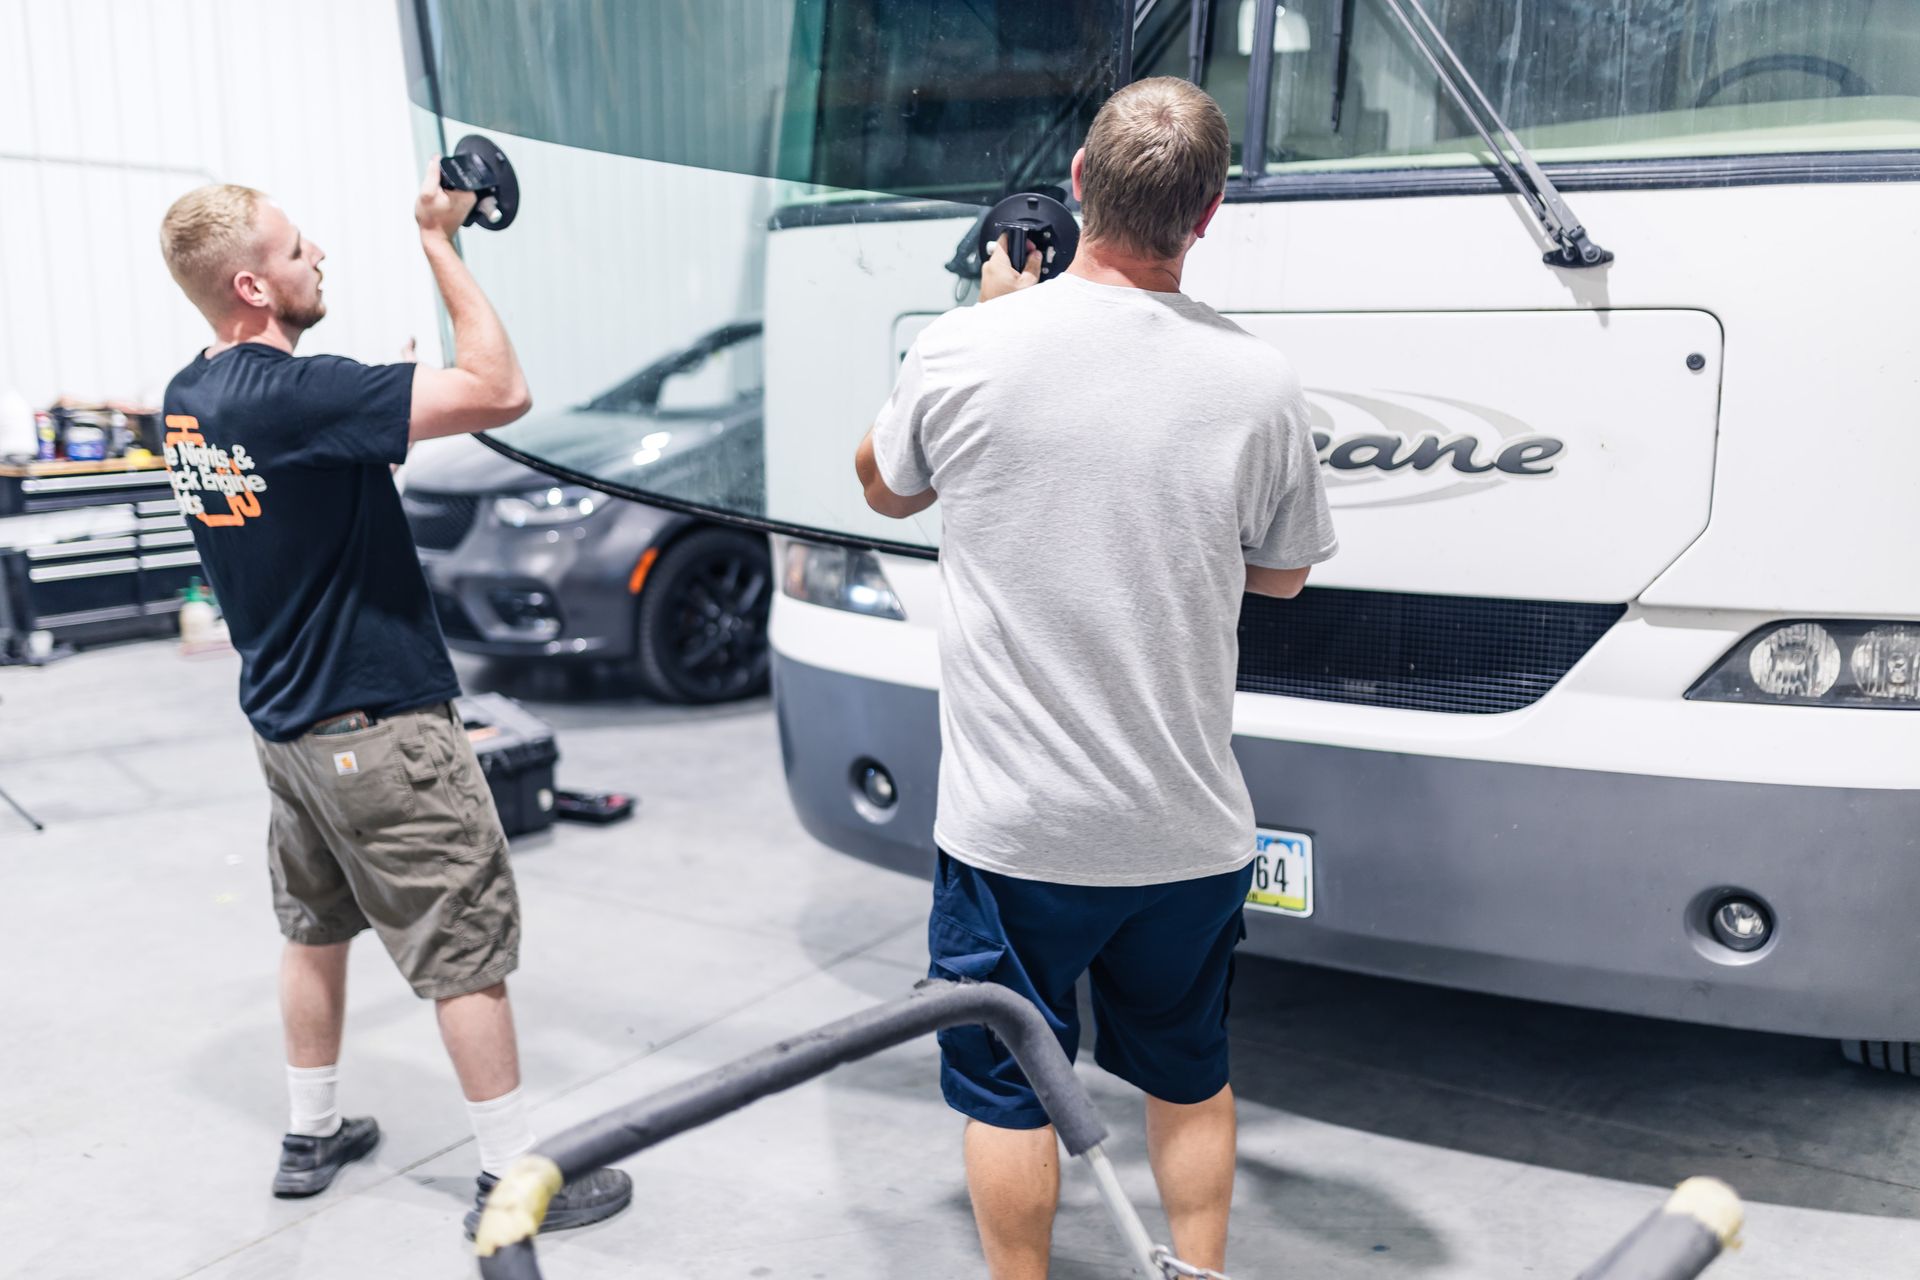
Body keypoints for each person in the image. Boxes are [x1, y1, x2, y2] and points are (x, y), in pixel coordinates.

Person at [854, 78, 1336, 1278]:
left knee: (1009, 1087)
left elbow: (883, 484)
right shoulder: (1260, 379)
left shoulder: (965, 346)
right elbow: (1283, 577)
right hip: (1186, 827)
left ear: (1078, 183)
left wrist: (985, 317)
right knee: (1190, 1072)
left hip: (1015, 834)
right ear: (1209, 214)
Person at [156, 170, 631, 1237]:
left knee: (314, 926)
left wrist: (371, 413)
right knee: (464, 948)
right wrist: (440, 242)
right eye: (294, 249)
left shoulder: (189, 400)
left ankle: (311, 1130)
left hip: (287, 727)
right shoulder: (302, 395)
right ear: (252, 286)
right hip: (379, 732)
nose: (316, 254)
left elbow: (296, 483)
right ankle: (509, 1181)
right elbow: (500, 388)